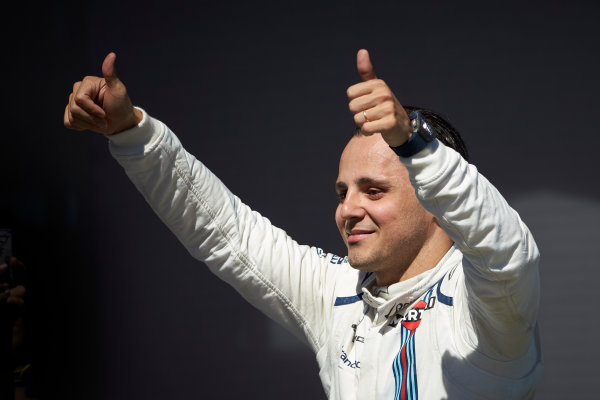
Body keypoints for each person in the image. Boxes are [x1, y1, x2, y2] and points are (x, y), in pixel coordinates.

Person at [64, 49, 542, 399]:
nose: (347, 209)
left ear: (436, 201)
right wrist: (131, 131)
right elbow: (225, 229)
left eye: (373, 190)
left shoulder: (487, 306)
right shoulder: (338, 291)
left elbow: (504, 249)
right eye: (342, 192)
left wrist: (413, 143)